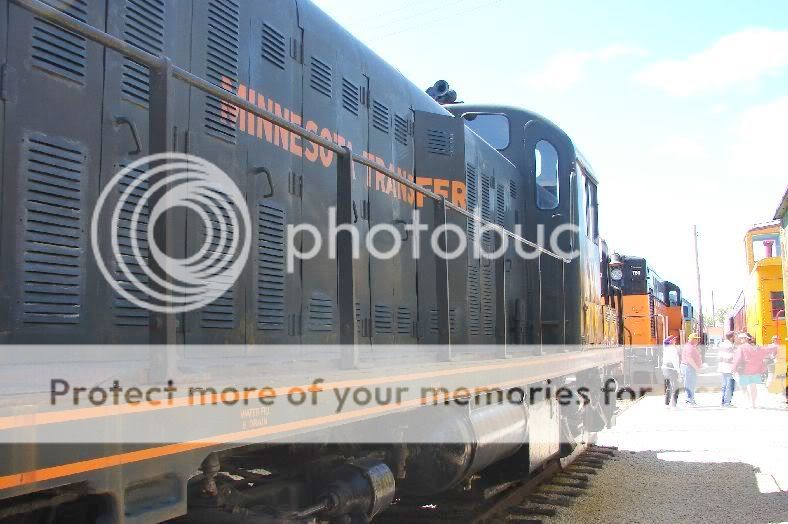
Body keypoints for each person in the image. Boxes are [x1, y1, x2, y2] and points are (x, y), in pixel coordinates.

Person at [731, 332, 769, 408]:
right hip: (755, 370)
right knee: (753, 386)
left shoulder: (741, 347)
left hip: (745, 370)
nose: (740, 339)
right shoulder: (755, 347)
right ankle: (753, 404)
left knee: (743, 387)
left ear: (746, 339)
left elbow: (737, 359)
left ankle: (748, 402)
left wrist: (733, 369)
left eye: (742, 338)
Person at [680, 333, 703, 405]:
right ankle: (689, 400)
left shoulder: (691, 346)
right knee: (689, 384)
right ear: (692, 339)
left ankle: (690, 399)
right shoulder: (689, 347)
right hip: (689, 367)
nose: (697, 340)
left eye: (697, 339)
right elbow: (689, 359)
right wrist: (697, 368)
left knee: (691, 384)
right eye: (696, 339)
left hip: (689, 367)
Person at [661, 335, 681, 407]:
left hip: (665, 369)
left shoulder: (666, 349)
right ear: (671, 342)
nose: (675, 341)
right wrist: (678, 372)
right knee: (675, 387)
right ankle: (674, 405)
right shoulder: (672, 349)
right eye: (674, 340)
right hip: (671, 369)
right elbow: (674, 361)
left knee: (669, 387)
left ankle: (666, 404)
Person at [717, 331, 736, 407]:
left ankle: (723, 401)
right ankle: (727, 403)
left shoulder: (721, 344)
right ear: (731, 337)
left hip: (722, 367)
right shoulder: (730, 346)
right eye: (734, 336)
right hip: (729, 368)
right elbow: (730, 358)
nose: (735, 338)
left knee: (724, 385)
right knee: (729, 386)